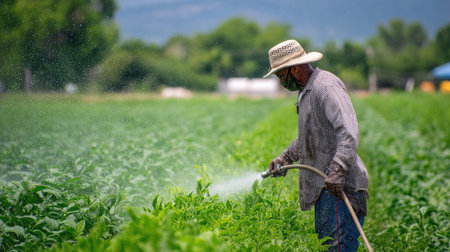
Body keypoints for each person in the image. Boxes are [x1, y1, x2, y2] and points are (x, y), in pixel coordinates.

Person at [264, 40, 369, 252]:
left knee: (338, 248)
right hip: (326, 189)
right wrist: (285, 158)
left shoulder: (326, 87)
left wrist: (338, 170)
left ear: (294, 68)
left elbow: (348, 132)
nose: (281, 82)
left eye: (280, 76)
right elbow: (310, 136)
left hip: (341, 189)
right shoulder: (307, 91)